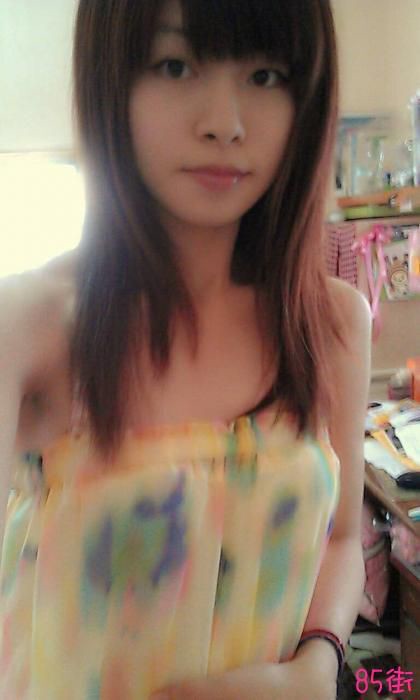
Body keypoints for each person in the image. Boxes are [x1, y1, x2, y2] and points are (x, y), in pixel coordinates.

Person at [0, 0, 371, 698]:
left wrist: (316, 669)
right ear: (111, 79)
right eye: (175, 66)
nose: (224, 124)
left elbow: (344, 538)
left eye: (265, 76)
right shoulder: (30, 328)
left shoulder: (332, 324)